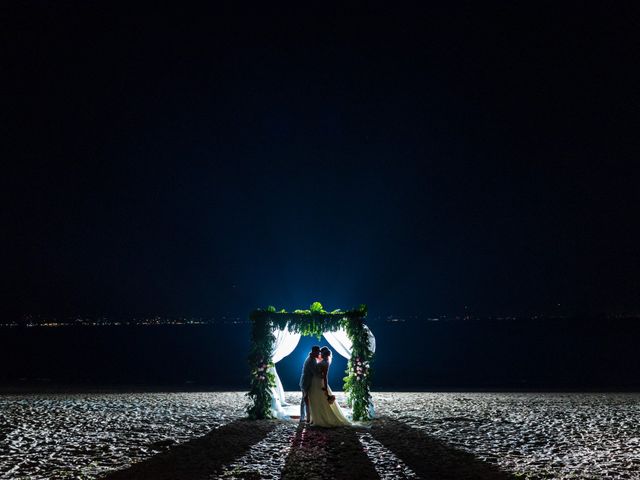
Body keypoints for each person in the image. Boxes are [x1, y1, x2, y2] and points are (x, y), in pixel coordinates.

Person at [307, 346, 351, 427]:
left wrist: (326, 387)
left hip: (318, 382)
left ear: (324, 354)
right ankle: (316, 418)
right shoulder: (324, 361)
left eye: (321, 353)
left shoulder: (325, 362)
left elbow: (325, 376)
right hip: (315, 381)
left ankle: (321, 419)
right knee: (316, 400)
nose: (320, 354)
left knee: (318, 400)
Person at [299, 345, 321, 423]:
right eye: (318, 352)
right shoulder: (310, 360)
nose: (319, 353)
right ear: (314, 351)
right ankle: (303, 417)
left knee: (305, 399)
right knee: (304, 399)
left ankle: (305, 417)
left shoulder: (312, 359)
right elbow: (314, 372)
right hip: (306, 382)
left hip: (307, 381)